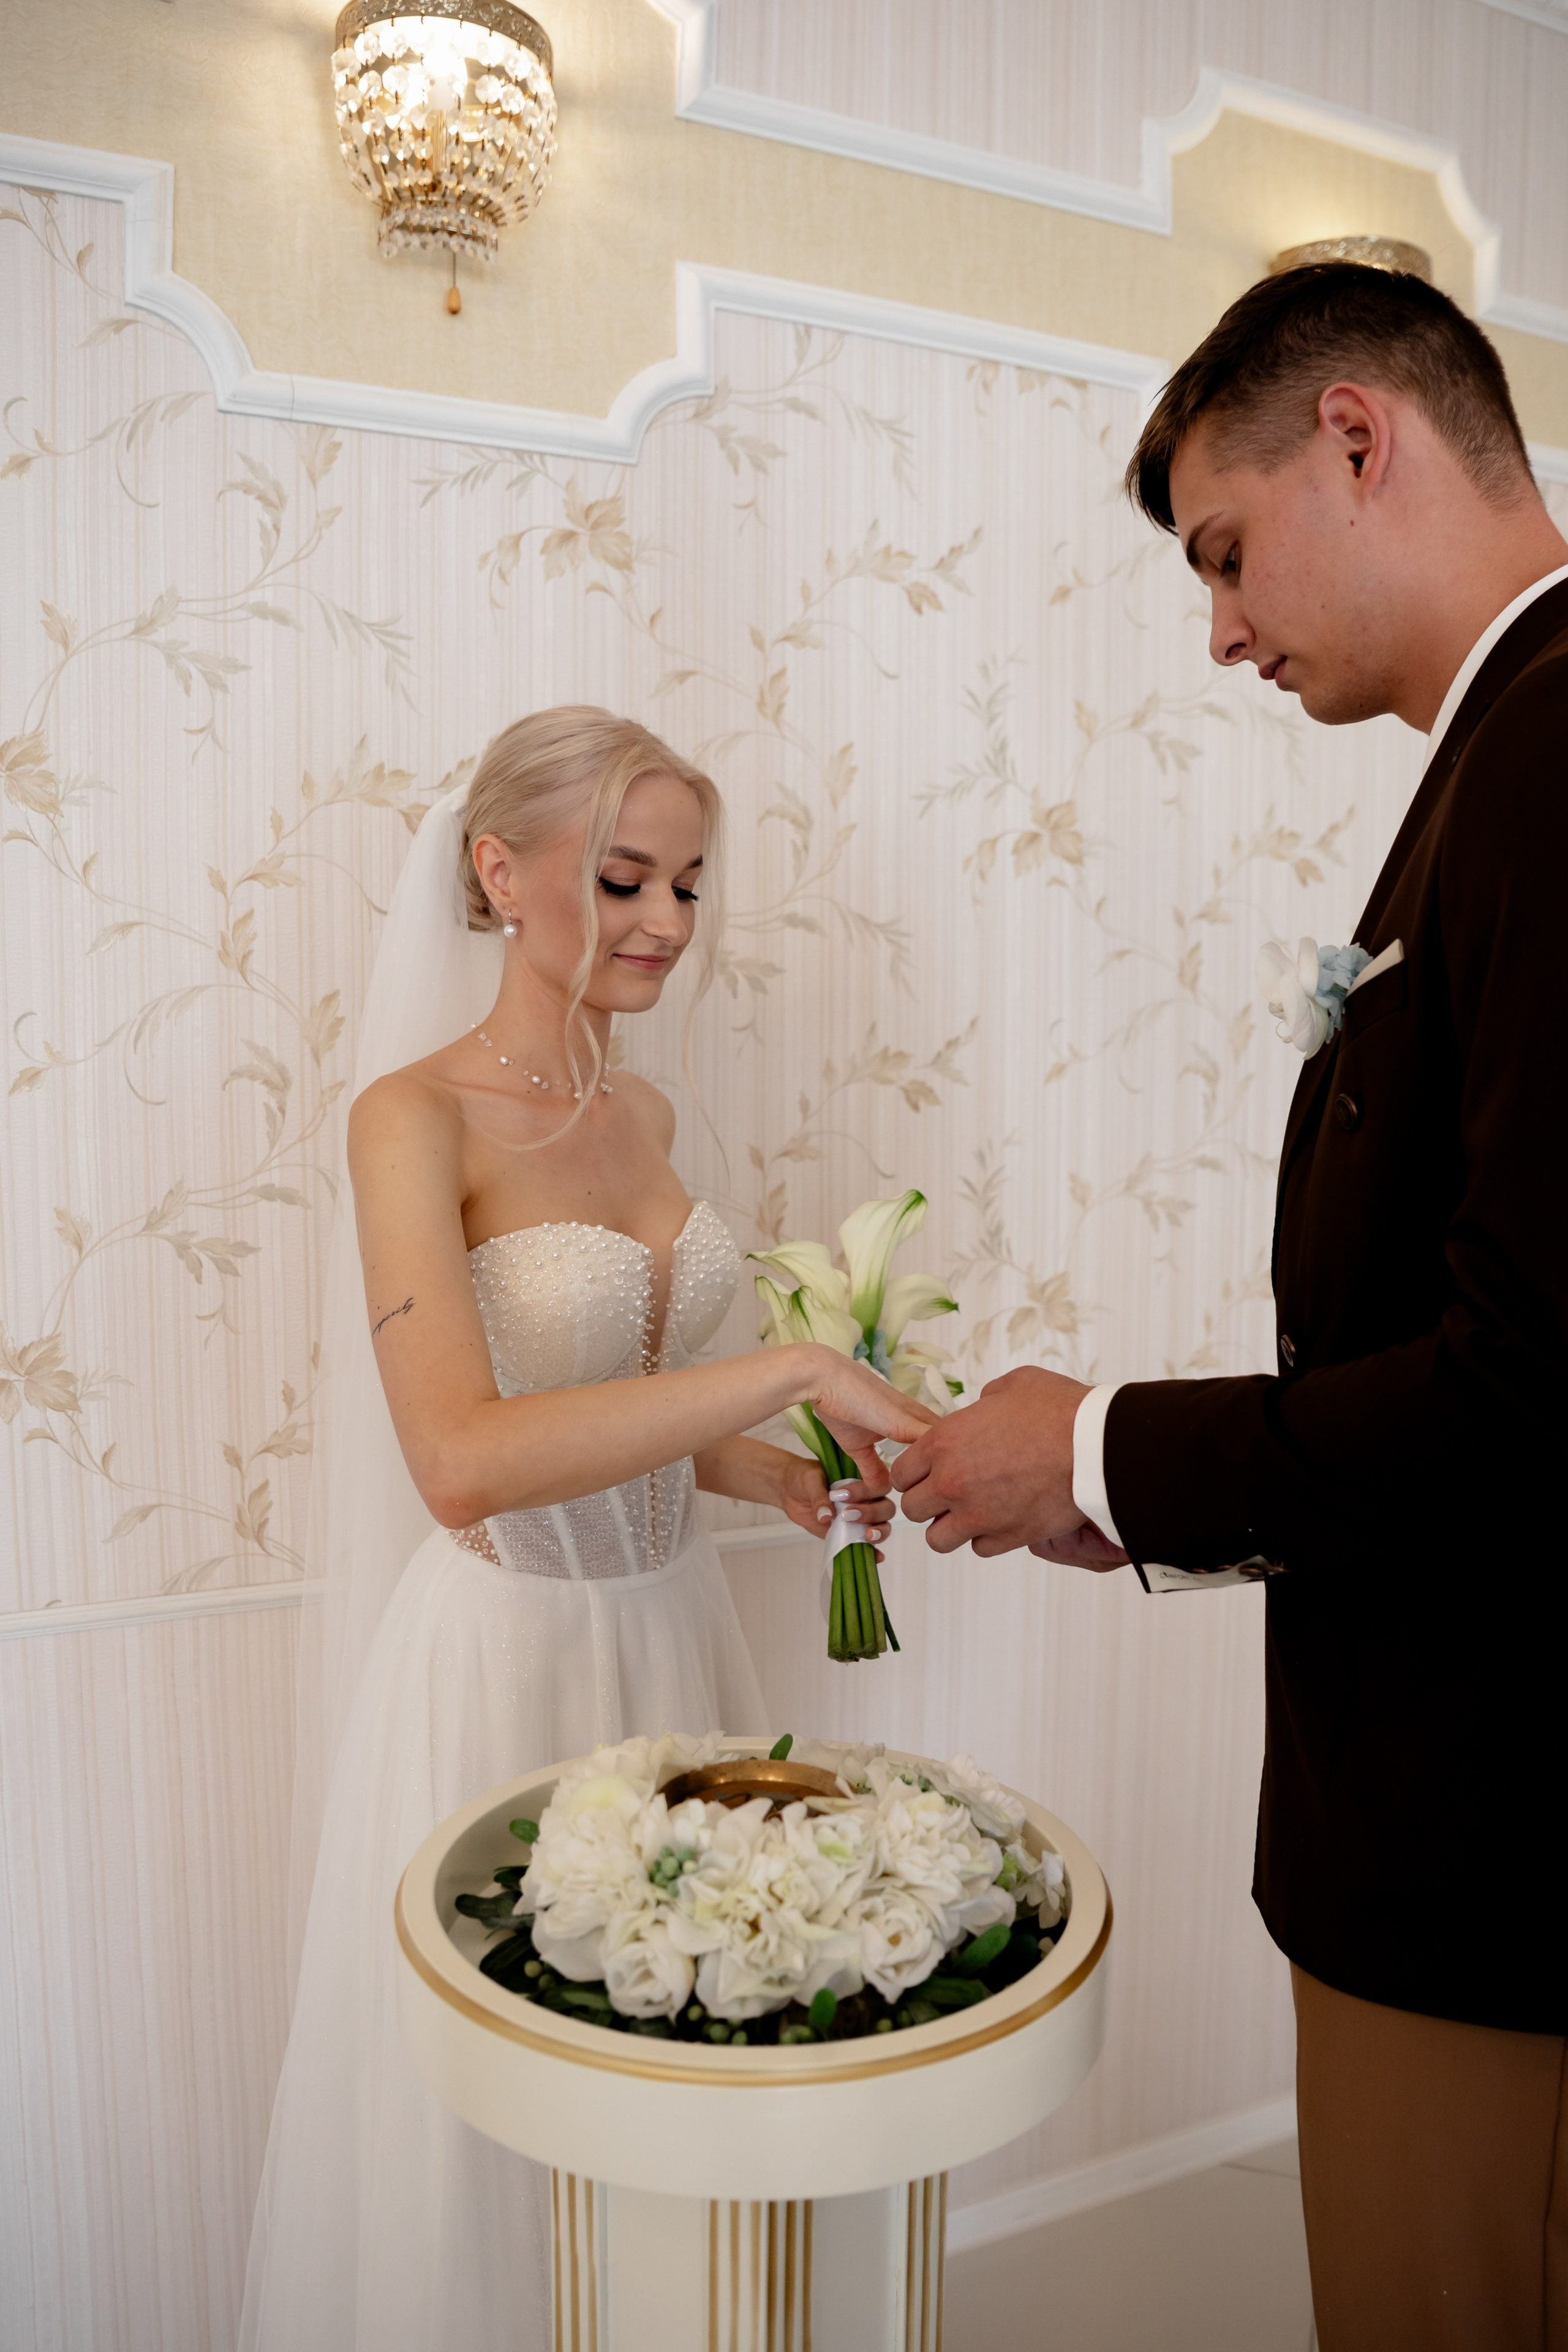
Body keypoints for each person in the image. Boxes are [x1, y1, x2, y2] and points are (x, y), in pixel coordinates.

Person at [891, 265, 1568, 2351]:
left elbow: (1528, 1392)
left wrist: (1098, 1440)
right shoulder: (1497, 756)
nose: (1220, 629)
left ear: (1359, 438)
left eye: (1226, 552)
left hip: (1498, 1853)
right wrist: (1138, 1497)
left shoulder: (1555, 749)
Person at [239, 707, 926, 2352]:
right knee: (502, 2103)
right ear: (499, 870)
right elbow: (468, 1461)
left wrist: (776, 1468)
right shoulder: (411, 1119)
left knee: (685, 2058)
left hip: (673, 1641)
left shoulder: (650, 1119)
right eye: (625, 880)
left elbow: (614, 1414)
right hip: (504, 1659)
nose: (669, 927)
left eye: (691, 886)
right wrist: (784, 1365)